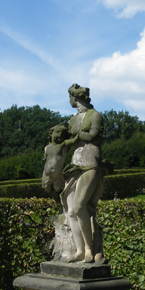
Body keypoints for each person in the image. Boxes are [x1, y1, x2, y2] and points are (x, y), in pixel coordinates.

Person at [61, 84, 105, 263]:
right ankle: (79, 250)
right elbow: (67, 141)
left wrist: (78, 136)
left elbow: (93, 135)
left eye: (70, 96)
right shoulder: (73, 119)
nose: (69, 100)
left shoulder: (95, 115)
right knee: (71, 211)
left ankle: (89, 249)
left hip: (90, 163)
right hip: (74, 165)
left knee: (80, 207)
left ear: (75, 97)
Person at [42, 124, 70, 204]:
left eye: (62, 134)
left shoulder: (63, 146)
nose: (60, 134)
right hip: (47, 174)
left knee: (58, 188)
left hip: (57, 175)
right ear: (51, 134)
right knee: (47, 188)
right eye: (57, 132)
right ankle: (59, 203)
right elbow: (47, 161)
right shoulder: (47, 148)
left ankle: (62, 204)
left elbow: (72, 141)